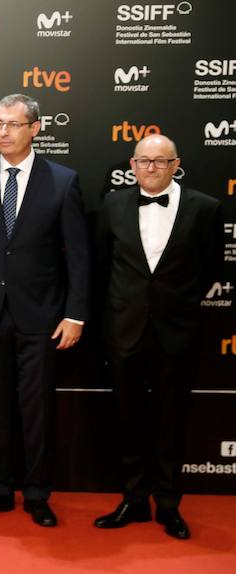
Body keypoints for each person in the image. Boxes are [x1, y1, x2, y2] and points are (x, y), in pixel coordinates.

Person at [0, 94, 90, 527]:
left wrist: (75, 314)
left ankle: (37, 493)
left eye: (12, 124)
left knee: (37, 409)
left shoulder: (63, 181)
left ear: (35, 128)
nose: (3, 132)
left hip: (42, 316)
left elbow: (79, 257)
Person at [93, 134, 222, 540]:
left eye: (161, 161)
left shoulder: (205, 208)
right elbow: (101, 266)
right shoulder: (112, 204)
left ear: (175, 164)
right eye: (144, 161)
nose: (151, 168)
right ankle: (133, 500)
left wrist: (176, 305)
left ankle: (168, 504)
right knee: (127, 419)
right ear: (132, 165)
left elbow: (212, 269)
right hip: (124, 330)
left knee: (171, 421)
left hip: (177, 332)